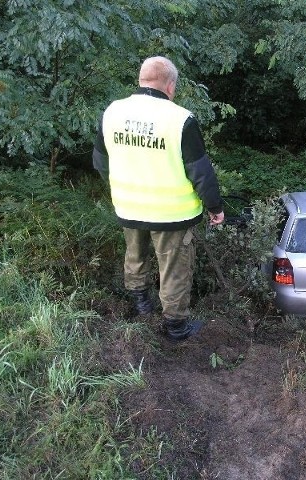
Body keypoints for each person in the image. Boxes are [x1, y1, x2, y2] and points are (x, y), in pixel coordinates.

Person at [92, 56, 224, 341]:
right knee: (174, 270)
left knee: (135, 257)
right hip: (172, 216)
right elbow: (200, 172)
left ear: (141, 80)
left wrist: (121, 190)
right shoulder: (179, 120)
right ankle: (176, 327)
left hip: (129, 207)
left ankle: (142, 306)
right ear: (171, 85)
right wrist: (215, 207)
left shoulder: (113, 112)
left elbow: (101, 162)